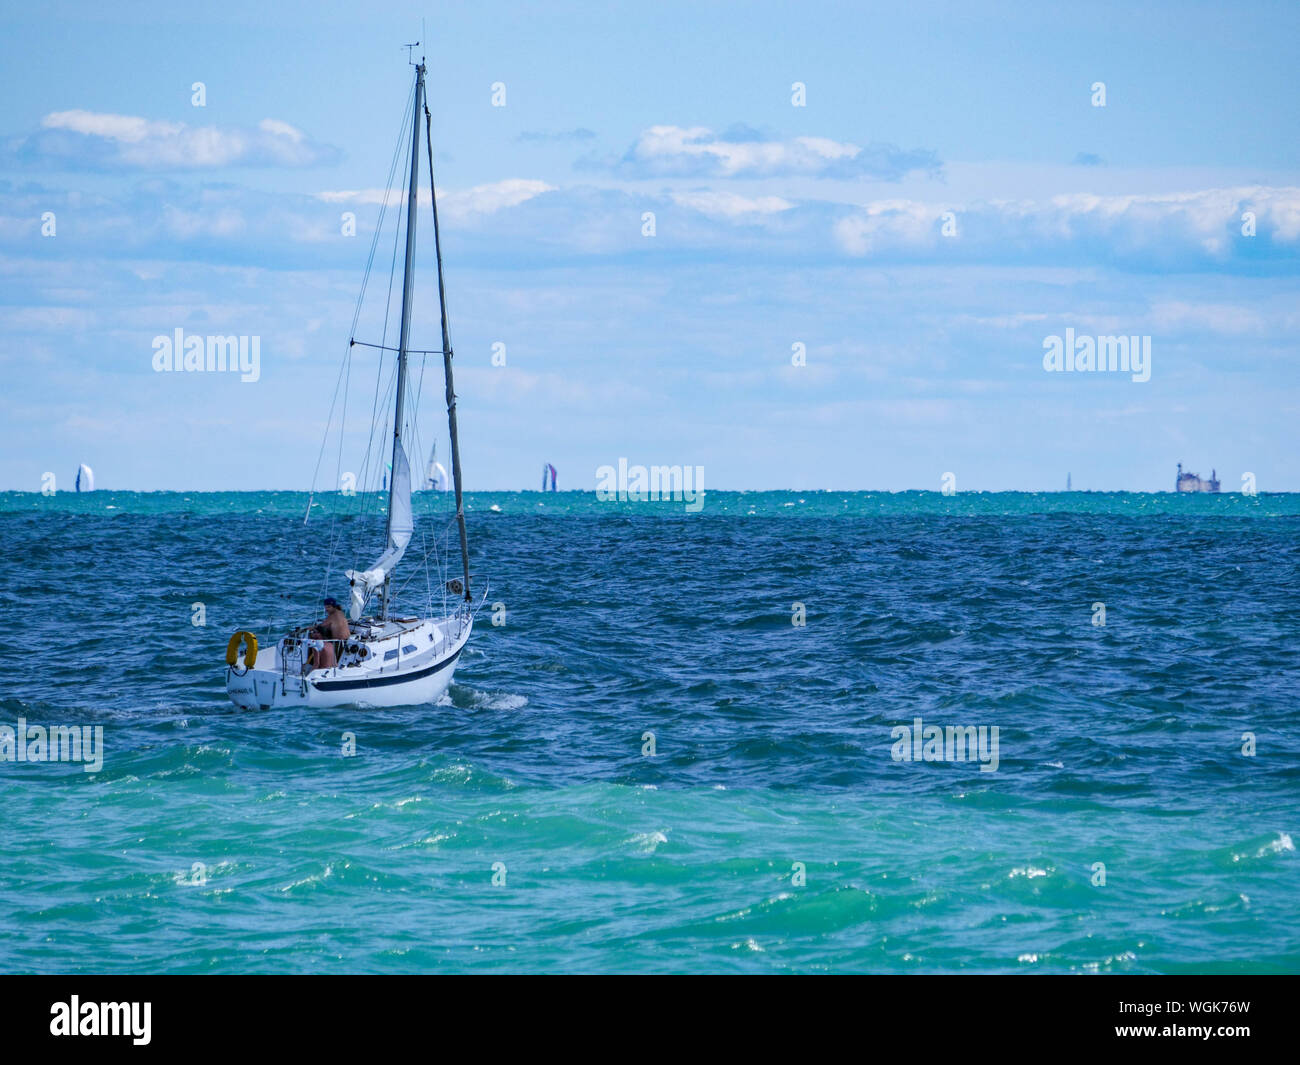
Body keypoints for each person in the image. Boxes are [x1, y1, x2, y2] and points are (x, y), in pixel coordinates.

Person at [306, 597, 351, 672]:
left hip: (338, 642)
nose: (326, 609)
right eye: (325, 607)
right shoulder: (340, 613)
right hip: (347, 641)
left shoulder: (332, 616)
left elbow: (321, 625)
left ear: (333, 606)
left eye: (328, 607)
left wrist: (310, 628)